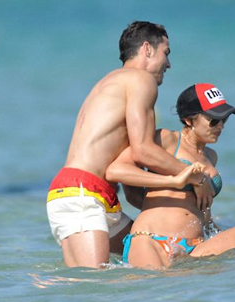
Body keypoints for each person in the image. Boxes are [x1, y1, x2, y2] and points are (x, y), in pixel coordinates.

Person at [46, 21, 213, 269]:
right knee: (93, 283)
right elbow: (143, 150)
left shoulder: (115, 81)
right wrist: (195, 177)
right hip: (81, 193)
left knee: (150, 250)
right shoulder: (140, 80)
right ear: (147, 48)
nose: (169, 64)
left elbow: (130, 176)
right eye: (166, 54)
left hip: (92, 194)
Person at [106, 83, 235, 269]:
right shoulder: (165, 139)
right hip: (151, 240)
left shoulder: (211, 156)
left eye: (224, 119)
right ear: (189, 120)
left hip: (193, 248)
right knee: (159, 287)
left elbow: (201, 207)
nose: (221, 126)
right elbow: (116, 170)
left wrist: (216, 230)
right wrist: (175, 180)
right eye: (214, 120)